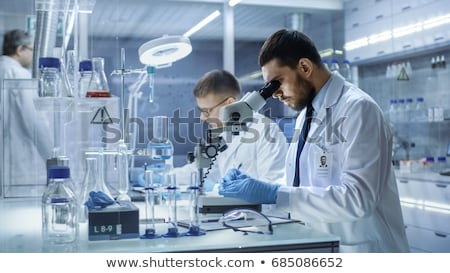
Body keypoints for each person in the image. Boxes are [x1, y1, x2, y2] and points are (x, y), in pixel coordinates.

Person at [219, 29, 409, 252]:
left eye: (277, 83)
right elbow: (302, 185)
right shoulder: (305, 116)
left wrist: (273, 194)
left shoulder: (358, 108)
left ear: (305, 67)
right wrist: (259, 186)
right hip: (321, 246)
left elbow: (358, 199)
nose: (275, 94)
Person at [171, 69, 288, 188]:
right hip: (229, 205)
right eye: (200, 111)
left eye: (207, 111)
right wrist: (166, 176)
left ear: (229, 103)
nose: (202, 117)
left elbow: (274, 187)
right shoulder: (223, 133)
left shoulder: (266, 131)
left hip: (256, 207)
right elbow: (204, 171)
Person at [0, 29, 53, 191]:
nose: (33, 56)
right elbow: (34, 119)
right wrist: (51, 157)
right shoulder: (18, 74)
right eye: (31, 50)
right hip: (15, 162)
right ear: (19, 49)